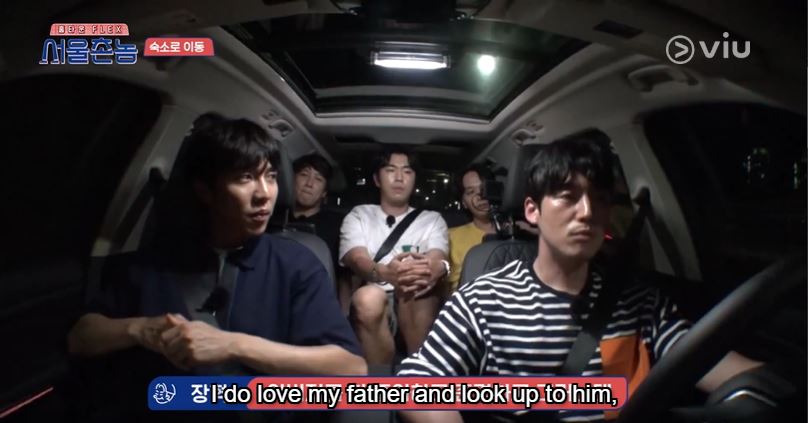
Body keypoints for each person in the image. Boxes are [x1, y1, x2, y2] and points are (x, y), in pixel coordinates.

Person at [397, 137, 762, 422]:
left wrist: (771, 391)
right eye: (568, 197)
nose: (587, 212)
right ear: (532, 210)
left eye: (599, 199)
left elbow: (716, 365)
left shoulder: (640, 303)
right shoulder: (484, 301)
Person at [67, 113, 365, 420]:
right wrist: (139, 329)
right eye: (245, 178)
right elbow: (80, 337)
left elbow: (351, 368)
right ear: (205, 190)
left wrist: (233, 345)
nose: (264, 194)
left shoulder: (295, 264)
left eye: (271, 176)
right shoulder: (153, 263)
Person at [339, 146, 450, 365]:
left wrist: (435, 268)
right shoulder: (359, 214)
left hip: (416, 296)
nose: (399, 178)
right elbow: (357, 259)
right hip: (376, 294)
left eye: (407, 171)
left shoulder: (432, 219)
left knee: (414, 286)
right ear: (377, 179)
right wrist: (384, 273)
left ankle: (420, 372)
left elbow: (437, 256)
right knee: (367, 298)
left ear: (414, 180)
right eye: (391, 170)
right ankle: (380, 377)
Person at [446, 163, 496, 292]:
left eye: (484, 188)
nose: (480, 195)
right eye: (471, 192)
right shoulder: (450, 237)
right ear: (464, 203)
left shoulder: (519, 231)